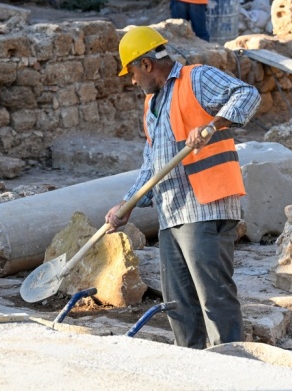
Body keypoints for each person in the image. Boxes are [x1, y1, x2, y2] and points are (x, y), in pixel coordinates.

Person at [105, 26, 260, 349]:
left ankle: (232, 368)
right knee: (179, 305)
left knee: (214, 298)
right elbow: (152, 165)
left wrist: (212, 125)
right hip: (171, 213)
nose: (132, 80)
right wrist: (127, 205)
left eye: (132, 72)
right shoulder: (151, 105)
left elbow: (247, 94)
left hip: (206, 207)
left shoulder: (196, 78)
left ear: (146, 64)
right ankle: (190, 371)